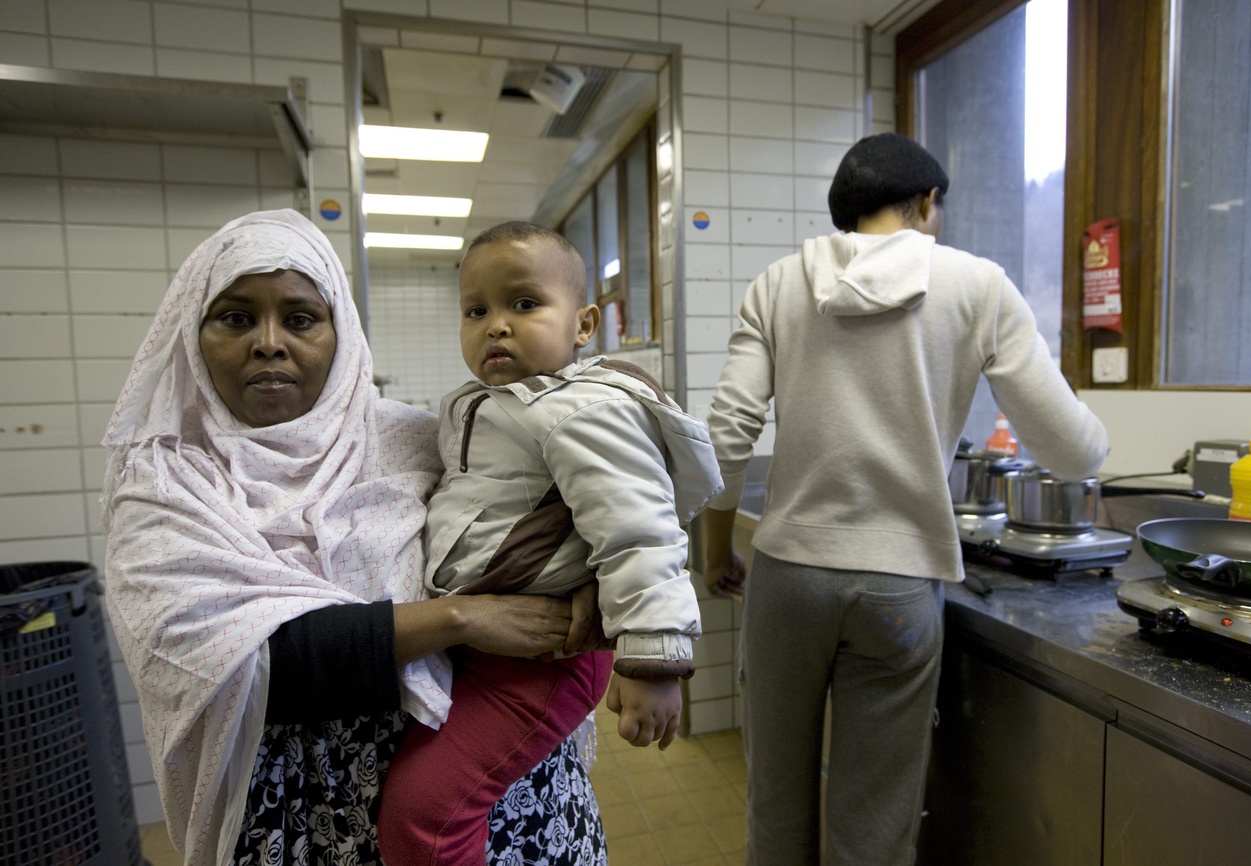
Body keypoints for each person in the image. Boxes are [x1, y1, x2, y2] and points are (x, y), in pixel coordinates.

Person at [101, 209, 609, 866]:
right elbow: (215, 658)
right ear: (191, 336)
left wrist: (605, 596)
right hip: (306, 827)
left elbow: (560, 522)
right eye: (234, 318)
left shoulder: (417, 441)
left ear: (341, 332)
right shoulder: (164, 482)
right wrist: (459, 618)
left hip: (503, 809)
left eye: (301, 318)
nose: (269, 342)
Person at [701, 133, 1108, 866]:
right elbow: (1073, 453)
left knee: (775, 801)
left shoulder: (777, 283)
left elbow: (726, 436)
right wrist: (1102, 446)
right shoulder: (978, 285)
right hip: (899, 583)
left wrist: (713, 547)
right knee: (874, 825)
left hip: (788, 576)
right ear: (927, 204)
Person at [377, 221, 722, 865]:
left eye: (524, 303)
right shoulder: (484, 405)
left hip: (547, 657)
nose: (496, 325)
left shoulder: (583, 411)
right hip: (490, 643)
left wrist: (651, 664)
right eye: (476, 310)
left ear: (584, 324)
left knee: (424, 816)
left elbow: (641, 533)